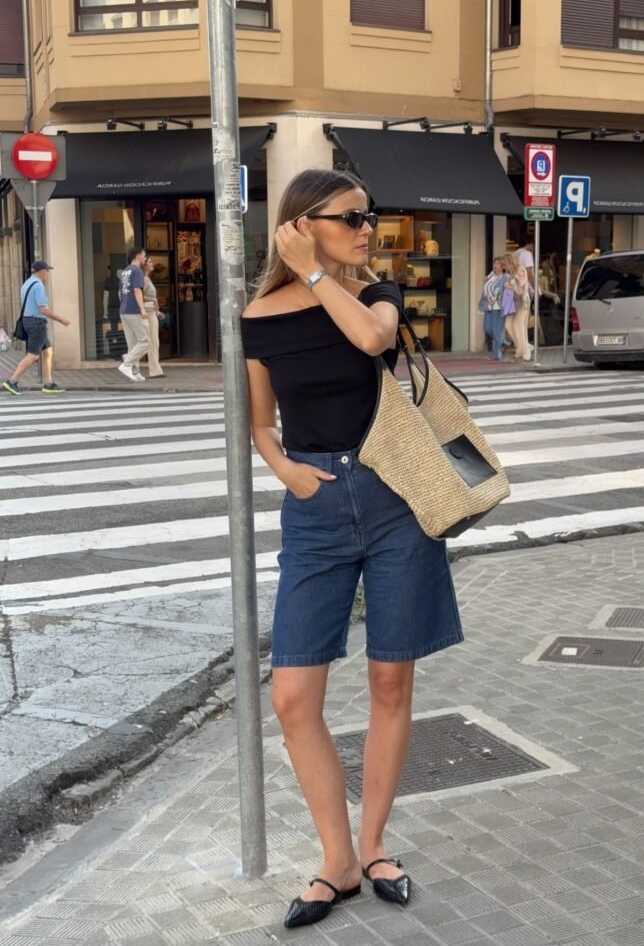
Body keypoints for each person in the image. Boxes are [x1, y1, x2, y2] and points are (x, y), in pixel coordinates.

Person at [240, 169, 463, 930]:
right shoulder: (259, 315)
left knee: (389, 682)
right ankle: (333, 859)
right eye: (350, 217)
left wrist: (315, 269)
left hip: (396, 498)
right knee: (292, 696)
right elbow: (259, 420)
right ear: (302, 223)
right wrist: (287, 474)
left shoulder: (377, 295)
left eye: (369, 216)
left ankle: (370, 846)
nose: (367, 228)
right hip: (317, 508)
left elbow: (370, 341)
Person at [2, 260, 70, 396]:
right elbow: (43, 309)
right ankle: (12, 380)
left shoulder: (26, 284)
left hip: (28, 321)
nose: (48, 274)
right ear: (41, 271)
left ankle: (48, 383)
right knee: (32, 355)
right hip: (37, 323)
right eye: (47, 271)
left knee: (48, 351)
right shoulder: (38, 285)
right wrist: (61, 319)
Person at [118, 246, 150, 382]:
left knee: (133, 344)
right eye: (143, 255)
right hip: (134, 311)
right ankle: (127, 363)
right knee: (145, 342)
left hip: (124, 310)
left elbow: (120, 293)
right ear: (137, 256)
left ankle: (135, 372)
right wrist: (142, 308)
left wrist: (124, 304)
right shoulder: (137, 271)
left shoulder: (125, 272)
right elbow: (137, 290)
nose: (145, 258)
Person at [142, 257, 165, 378]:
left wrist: (157, 311)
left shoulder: (147, 279)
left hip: (151, 311)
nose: (152, 264)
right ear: (144, 265)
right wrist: (154, 300)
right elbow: (139, 296)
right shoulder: (145, 279)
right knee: (152, 341)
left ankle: (155, 368)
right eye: (150, 262)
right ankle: (154, 370)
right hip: (148, 312)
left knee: (154, 341)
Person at [481, 258, 507, 361]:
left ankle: (497, 354)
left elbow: (512, 284)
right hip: (488, 306)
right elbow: (486, 284)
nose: (495, 265)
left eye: (497, 264)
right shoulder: (491, 275)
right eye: (494, 263)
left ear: (502, 267)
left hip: (498, 307)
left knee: (496, 330)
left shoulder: (505, 277)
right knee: (487, 328)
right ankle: (503, 341)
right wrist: (485, 280)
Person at [505, 262, 532, 361]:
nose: (505, 268)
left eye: (505, 265)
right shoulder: (513, 274)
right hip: (517, 304)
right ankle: (522, 349)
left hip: (523, 303)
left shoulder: (520, 270)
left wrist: (512, 285)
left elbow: (521, 289)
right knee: (511, 325)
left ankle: (523, 352)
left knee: (520, 328)